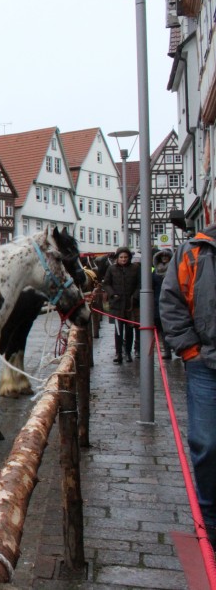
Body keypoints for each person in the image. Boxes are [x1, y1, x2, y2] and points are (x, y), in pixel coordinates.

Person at [160, 223, 216, 547]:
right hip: (206, 363)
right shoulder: (194, 251)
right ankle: (209, 521)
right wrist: (190, 350)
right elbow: (171, 301)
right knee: (206, 443)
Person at [102, 246, 139, 364]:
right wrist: (112, 294)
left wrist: (135, 296)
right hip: (117, 304)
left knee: (129, 330)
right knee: (118, 330)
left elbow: (140, 284)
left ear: (129, 258)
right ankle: (118, 353)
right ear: (117, 258)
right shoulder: (111, 269)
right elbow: (106, 284)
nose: (123, 259)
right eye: (121, 257)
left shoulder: (135, 268)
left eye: (125, 257)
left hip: (130, 304)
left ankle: (128, 352)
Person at [152, 249, 173, 359]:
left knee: (171, 327)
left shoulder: (174, 269)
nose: (164, 258)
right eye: (162, 256)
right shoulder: (155, 271)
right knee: (161, 328)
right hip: (157, 301)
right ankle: (167, 350)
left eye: (166, 256)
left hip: (171, 301)